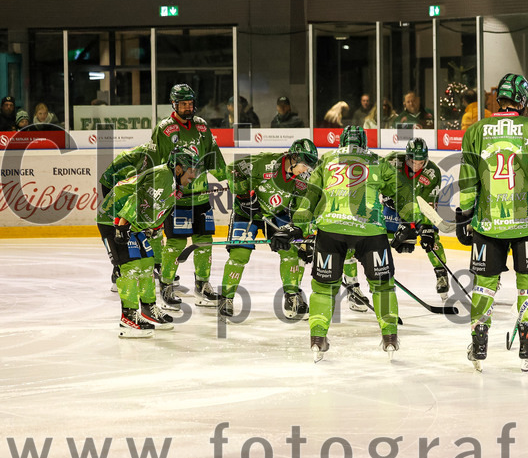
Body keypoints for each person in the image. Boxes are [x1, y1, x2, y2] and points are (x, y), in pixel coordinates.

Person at [274, 126, 400, 362]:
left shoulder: (327, 159)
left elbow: (311, 196)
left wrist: (297, 226)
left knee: (323, 288)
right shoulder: (377, 160)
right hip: (370, 230)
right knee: (383, 286)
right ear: (364, 142)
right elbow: (400, 190)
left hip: (331, 231)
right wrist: (412, 224)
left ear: (341, 141)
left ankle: (318, 339)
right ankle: (390, 337)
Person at [458, 73, 528, 372]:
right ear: (524, 100)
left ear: (499, 98)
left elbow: (468, 178)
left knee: (485, 283)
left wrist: (465, 215)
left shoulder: (475, 130)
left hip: (488, 224)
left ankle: (478, 343)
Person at [97, 146, 199, 338]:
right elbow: (137, 197)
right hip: (114, 219)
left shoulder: (172, 182)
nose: (194, 175)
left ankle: (148, 309)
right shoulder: (163, 176)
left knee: (147, 262)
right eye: (191, 170)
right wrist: (123, 226)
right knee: (131, 266)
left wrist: (152, 227)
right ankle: (128, 318)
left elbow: (157, 208)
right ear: (178, 168)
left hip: (131, 222)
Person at [218, 139, 319, 319]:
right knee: (240, 254)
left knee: (290, 251)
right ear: (294, 157)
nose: (305, 170)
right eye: (304, 165)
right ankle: (226, 298)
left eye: (308, 167)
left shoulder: (302, 179)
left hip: (278, 214)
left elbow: (302, 208)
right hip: (247, 213)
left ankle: (292, 297)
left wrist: (303, 234)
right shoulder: (266, 162)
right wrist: (244, 195)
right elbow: (233, 169)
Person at [150, 84, 229, 313]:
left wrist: (229, 179)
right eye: (183, 104)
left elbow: (214, 156)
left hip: (201, 195)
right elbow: (155, 162)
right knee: (175, 243)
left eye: (190, 103)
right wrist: (162, 191)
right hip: (177, 198)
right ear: (174, 104)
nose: (188, 107)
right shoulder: (164, 130)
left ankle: (202, 285)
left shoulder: (202, 126)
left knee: (204, 241)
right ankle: (166, 287)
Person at [382, 138, 451, 300]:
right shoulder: (391, 161)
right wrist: (386, 195)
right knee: (377, 238)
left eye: (421, 162)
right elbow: (375, 182)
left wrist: (423, 228)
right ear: (407, 157)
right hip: (392, 210)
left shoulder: (432, 172)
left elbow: (429, 203)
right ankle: (379, 273)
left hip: (418, 211)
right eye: (413, 162)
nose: (417, 166)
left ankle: (441, 274)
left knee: (431, 239)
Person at [99, 142, 163, 291]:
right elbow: (115, 182)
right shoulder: (133, 159)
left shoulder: (163, 154)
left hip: (136, 187)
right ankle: (118, 269)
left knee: (150, 227)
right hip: (118, 188)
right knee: (122, 230)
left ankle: (156, 265)